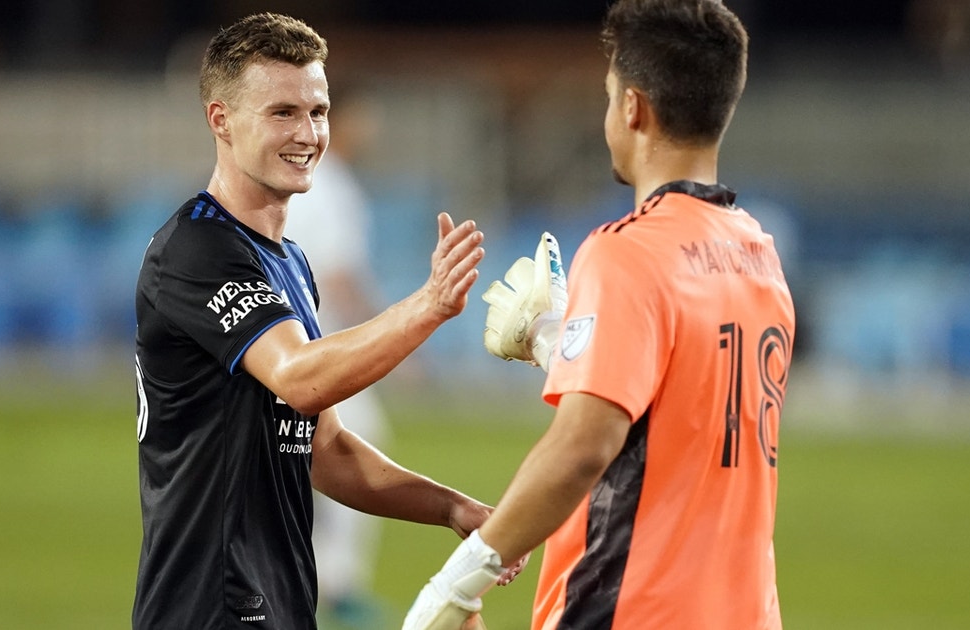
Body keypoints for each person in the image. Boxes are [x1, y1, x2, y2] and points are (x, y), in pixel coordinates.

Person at [404, 1, 795, 629]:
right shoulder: (758, 254)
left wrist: (460, 581)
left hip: (635, 608)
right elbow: (677, 407)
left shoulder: (627, 250)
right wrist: (554, 341)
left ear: (634, 108)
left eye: (611, 95)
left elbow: (585, 444)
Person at [132, 13, 522, 629]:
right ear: (221, 120)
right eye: (282, 112)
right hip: (210, 608)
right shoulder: (194, 251)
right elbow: (298, 378)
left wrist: (453, 509)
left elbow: (324, 445)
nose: (308, 133)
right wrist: (427, 307)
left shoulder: (289, 264)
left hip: (279, 605)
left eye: (318, 112)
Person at [283, 93, 392, 627]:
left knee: (295, 459)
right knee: (356, 450)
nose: (369, 132)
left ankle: (305, 579)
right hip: (327, 345)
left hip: (287, 346)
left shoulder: (301, 180)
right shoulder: (330, 186)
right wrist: (393, 334)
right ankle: (339, 584)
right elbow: (339, 276)